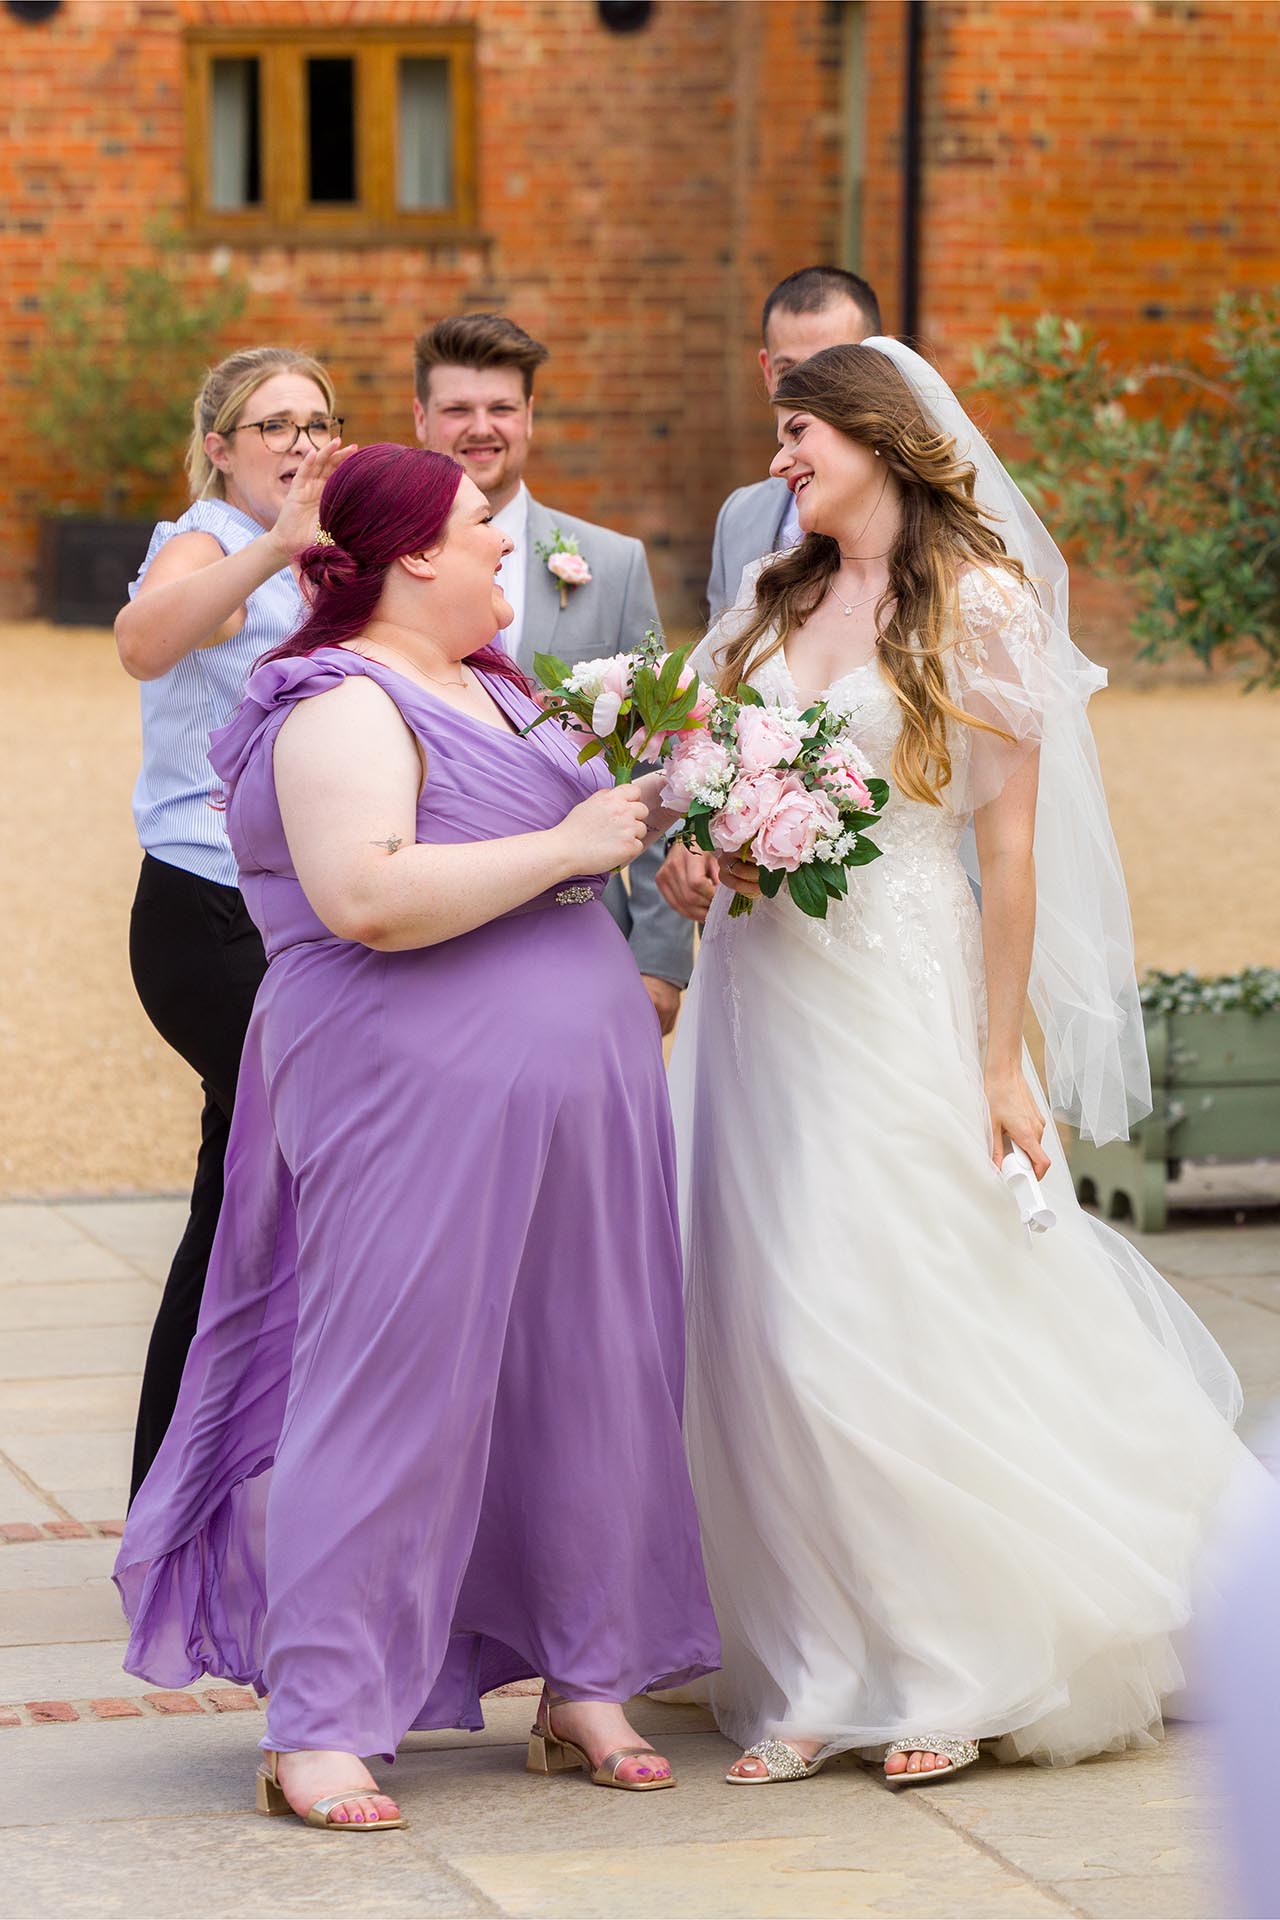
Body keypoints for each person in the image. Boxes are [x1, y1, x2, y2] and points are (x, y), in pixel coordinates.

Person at [666, 340, 1261, 1787]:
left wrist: (1004, 1064)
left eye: (800, 432)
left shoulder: (982, 605)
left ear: (878, 436)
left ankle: (949, 1661)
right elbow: (694, 771)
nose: (781, 459)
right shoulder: (766, 599)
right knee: (752, 1324)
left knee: (868, 1306)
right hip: (758, 997)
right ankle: (814, 1662)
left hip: (899, 991)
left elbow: (1008, 854)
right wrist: (692, 861)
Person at [114, 443, 719, 1832]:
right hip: (411, 1109)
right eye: (475, 529)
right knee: (393, 1384)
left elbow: (578, 822)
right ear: (406, 560)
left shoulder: (496, 685)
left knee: (591, 1377)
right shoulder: (338, 703)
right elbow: (368, 897)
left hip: (579, 1105)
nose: (506, 544)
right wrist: (574, 846)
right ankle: (322, 1718)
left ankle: (588, 1679)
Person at [114, 346, 351, 1502]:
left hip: (298, 915)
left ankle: (185, 1480)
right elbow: (144, 643)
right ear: (220, 446)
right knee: (304, 1171)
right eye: (273, 425)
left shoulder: (326, 556)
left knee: (240, 1193)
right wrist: (272, 543)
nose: (301, 442)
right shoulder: (206, 541)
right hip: (207, 916)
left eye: (317, 422)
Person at [412, 311, 692, 1034]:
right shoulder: (384, 574)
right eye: (458, 409)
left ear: (530, 416)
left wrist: (660, 957)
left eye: (502, 407)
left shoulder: (615, 564)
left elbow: (665, 751)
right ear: (420, 419)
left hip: (584, 925)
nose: (482, 427)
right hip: (428, 932)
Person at [662, 266, 880, 925]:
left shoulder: (955, 566)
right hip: (755, 916)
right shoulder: (742, 520)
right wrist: (695, 831)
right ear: (766, 372)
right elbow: (720, 709)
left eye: (833, 370)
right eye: (792, 373)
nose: (809, 395)